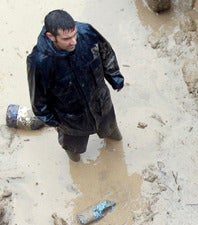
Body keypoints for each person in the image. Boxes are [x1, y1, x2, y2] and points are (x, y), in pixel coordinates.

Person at [27, 10, 125, 162]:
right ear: (51, 36)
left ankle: (116, 147)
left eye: (74, 35)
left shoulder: (87, 32)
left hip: (101, 103)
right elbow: (38, 98)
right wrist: (54, 122)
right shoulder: (39, 62)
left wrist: (115, 76)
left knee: (112, 131)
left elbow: (106, 54)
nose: (74, 41)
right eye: (66, 39)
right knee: (73, 149)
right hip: (70, 119)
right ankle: (76, 164)